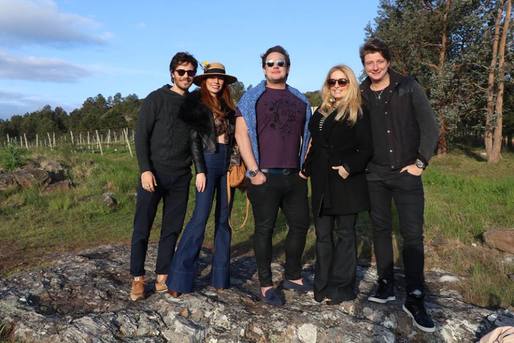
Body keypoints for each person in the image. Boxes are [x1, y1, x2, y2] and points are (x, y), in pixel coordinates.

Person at [359, 38, 439, 332]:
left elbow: (430, 127)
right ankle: (385, 284)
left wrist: (420, 164)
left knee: (412, 234)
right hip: (375, 175)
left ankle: (415, 296)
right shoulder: (361, 93)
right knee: (379, 229)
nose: (375, 66)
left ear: (388, 61)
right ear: (364, 65)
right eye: (370, 62)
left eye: (379, 61)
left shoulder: (408, 87)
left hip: (407, 173)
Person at [235, 45, 312, 306]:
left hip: (294, 176)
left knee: (300, 224)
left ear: (288, 67)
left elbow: (310, 136)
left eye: (280, 63)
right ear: (264, 68)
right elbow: (241, 134)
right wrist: (253, 171)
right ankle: (266, 284)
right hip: (264, 177)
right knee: (265, 230)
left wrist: (304, 169)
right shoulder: (251, 98)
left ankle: (293, 274)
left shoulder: (301, 99)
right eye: (270, 63)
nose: (275, 66)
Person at [129, 52, 198, 301]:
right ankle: (137, 278)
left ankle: (162, 275)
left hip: (181, 176)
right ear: (172, 73)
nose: (186, 76)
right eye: (181, 72)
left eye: (191, 72)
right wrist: (145, 169)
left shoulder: (194, 104)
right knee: (142, 227)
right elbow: (141, 136)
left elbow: (197, 141)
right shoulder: (156, 99)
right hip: (154, 174)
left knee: (171, 229)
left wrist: (198, 170)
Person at [301, 65, 372, 305]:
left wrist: (348, 167)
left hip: (345, 182)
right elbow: (316, 144)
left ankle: (342, 288)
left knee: (345, 236)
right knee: (323, 236)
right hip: (321, 182)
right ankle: (321, 286)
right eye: (333, 82)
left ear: (350, 84)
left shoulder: (357, 111)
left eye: (343, 82)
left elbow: (367, 148)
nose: (337, 86)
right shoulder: (322, 111)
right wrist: (305, 169)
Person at [166, 62, 238, 296]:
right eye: (212, 78)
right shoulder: (198, 103)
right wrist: (200, 170)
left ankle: (220, 277)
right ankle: (179, 279)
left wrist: (235, 164)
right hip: (208, 161)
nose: (217, 81)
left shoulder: (228, 105)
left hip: (226, 163)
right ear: (205, 81)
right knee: (200, 217)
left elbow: (235, 138)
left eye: (220, 79)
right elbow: (194, 139)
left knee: (223, 220)